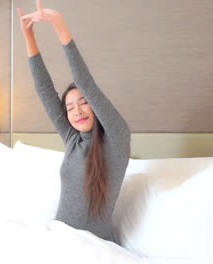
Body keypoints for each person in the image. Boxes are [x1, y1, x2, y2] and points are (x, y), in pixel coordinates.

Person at [18, 0, 130, 242]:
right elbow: (45, 90)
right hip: (59, 241)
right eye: (69, 108)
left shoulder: (117, 139)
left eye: (83, 102)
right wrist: (29, 37)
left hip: (94, 248)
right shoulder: (72, 140)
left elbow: (85, 81)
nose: (76, 111)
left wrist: (59, 26)